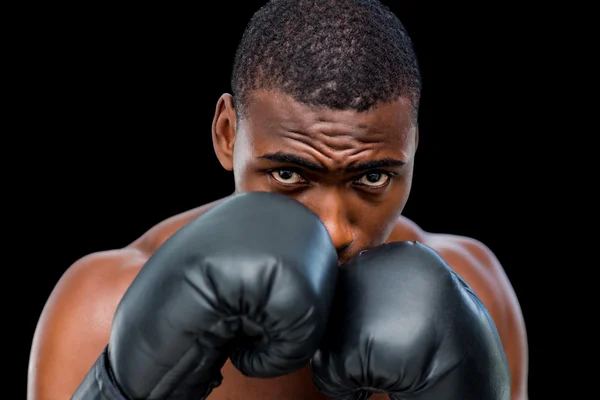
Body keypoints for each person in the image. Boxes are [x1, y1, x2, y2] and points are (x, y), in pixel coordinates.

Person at [28, 1, 529, 399]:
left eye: (372, 177)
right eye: (289, 174)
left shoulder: (473, 293)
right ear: (227, 135)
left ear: (413, 147)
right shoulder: (102, 308)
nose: (334, 229)